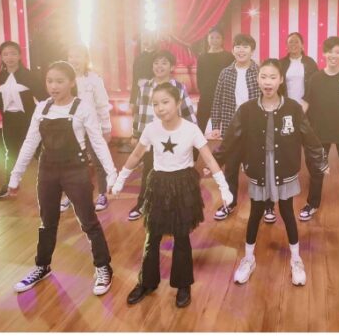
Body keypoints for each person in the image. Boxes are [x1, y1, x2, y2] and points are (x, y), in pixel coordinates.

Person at [112, 83, 233, 308]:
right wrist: (120, 179)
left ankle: (183, 284)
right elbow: (137, 154)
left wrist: (223, 186)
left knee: (181, 237)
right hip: (159, 184)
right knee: (152, 236)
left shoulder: (191, 129)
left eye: (165, 102)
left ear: (178, 103)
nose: (160, 108)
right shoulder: (151, 129)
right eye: (155, 104)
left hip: (182, 185)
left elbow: (208, 158)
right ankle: (146, 282)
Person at [8, 61, 116, 296]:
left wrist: (112, 174)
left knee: (88, 222)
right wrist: (15, 176)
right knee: (47, 222)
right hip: (47, 170)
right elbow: (30, 142)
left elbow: (97, 142)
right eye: (50, 81)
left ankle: (103, 267)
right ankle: (42, 266)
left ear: (71, 82)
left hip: (75, 170)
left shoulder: (82, 108)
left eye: (59, 81)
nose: (53, 86)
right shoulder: (42, 108)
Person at [217, 59, 326, 286]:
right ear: (258, 79)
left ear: (281, 80)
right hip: (258, 166)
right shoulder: (247, 109)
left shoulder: (293, 108)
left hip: (284, 165)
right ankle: (248, 259)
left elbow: (308, 136)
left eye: (273, 77)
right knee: (256, 212)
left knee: (287, 212)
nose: (268, 82)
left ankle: (296, 259)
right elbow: (231, 138)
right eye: (264, 77)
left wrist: (320, 160)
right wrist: (215, 161)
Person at [298, 36, 339, 225]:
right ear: (324, 53)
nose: (333, 55)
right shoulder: (315, 79)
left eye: (337, 52)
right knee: (317, 170)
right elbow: (305, 103)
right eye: (330, 51)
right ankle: (312, 204)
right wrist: (293, 122)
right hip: (320, 132)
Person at [129, 50, 196, 221]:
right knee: (148, 171)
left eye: (164, 63)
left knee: (173, 174)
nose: (159, 66)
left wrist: (193, 136)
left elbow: (188, 112)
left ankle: (174, 207)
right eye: (156, 63)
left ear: (172, 67)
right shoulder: (144, 87)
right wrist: (136, 134)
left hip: (172, 139)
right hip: (151, 139)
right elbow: (139, 113)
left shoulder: (178, 87)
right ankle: (143, 203)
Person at [0, 41, 46, 200]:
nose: (9, 57)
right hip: (9, 121)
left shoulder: (28, 75)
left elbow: (43, 98)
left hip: (30, 120)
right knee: (11, 153)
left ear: (19, 56)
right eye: (5, 54)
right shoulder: (0, 77)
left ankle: (52, 184)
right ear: (1, 57)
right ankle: (10, 184)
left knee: (39, 152)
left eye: (13, 53)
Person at [210, 33, 261, 221]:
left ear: (252, 50)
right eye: (238, 46)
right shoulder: (226, 73)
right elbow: (217, 99)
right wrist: (216, 124)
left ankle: (266, 206)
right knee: (230, 168)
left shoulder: (259, 71)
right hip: (231, 126)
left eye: (245, 46)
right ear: (232, 50)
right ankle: (229, 204)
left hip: (255, 127)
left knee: (258, 168)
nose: (241, 50)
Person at [67, 43, 113, 212]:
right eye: (71, 56)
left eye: (78, 56)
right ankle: (72, 195)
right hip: (72, 128)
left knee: (98, 161)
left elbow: (102, 105)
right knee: (73, 163)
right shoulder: (66, 79)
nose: (74, 60)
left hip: (93, 128)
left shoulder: (94, 79)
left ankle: (102, 194)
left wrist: (106, 128)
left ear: (86, 58)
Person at [195, 28, 235, 135]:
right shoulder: (202, 57)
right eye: (211, 37)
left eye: (217, 37)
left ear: (222, 40)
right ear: (207, 39)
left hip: (224, 93)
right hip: (207, 94)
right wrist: (203, 91)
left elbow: (232, 74)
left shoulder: (229, 56)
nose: (214, 40)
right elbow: (199, 76)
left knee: (227, 122)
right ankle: (196, 144)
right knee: (200, 120)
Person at [278, 32, 318, 104]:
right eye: (290, 42)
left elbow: (316, 84)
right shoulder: (281, 63)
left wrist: (307, 102)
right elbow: (277, 86)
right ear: (286, 46)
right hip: (286, 104)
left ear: (302, 45)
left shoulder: (310, 62)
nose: (293, 44)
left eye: (296, 42)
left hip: (306, 105)